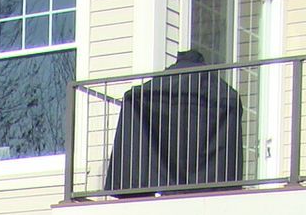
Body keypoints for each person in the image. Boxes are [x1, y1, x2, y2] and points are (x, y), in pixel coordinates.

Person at [103, 48, 244, 196]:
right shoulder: (220, 94)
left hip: (164, 178)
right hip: (208, 179)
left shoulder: (154, 91)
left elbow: (133, 98)